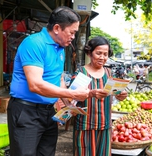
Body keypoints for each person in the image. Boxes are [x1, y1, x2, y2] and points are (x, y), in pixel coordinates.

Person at [7, 6, 90, 156]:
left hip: (48, 111)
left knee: (47, 152)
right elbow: (35, 85)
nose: (73, 37)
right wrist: (72, 93)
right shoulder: (34, 43)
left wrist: (67, 102)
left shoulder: (60, 48)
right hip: (26, 112)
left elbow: (57, 78)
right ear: (57, 28)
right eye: (72, 32)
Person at [71, 36, 128, 156]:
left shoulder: (108, 73)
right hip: (85, 126)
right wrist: (90, 94)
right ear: (89, 53)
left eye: (105, 54)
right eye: (98, 53)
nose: (102, 57)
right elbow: (71, 98)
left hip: (105, 126)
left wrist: (120, 96)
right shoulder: (81, 73)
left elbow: (113, 93)